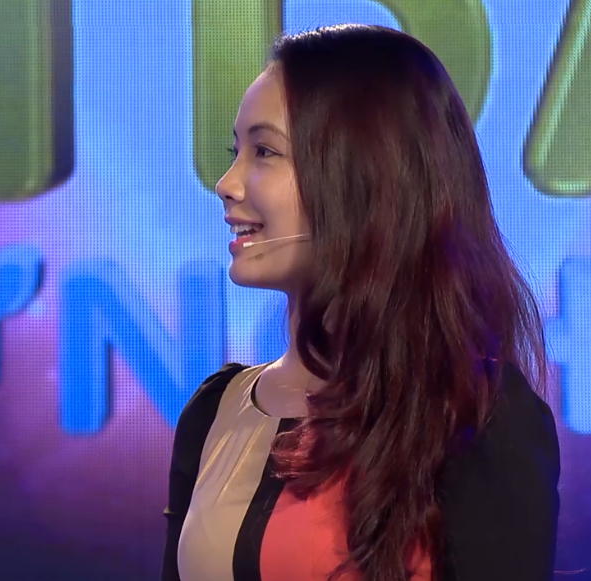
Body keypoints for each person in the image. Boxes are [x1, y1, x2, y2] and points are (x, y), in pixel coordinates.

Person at [162, 24, 560, 581]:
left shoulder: (474, 418)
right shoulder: (214, 415)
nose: (226, 184)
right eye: (235, 152)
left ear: (366, 179)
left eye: (265, 151)